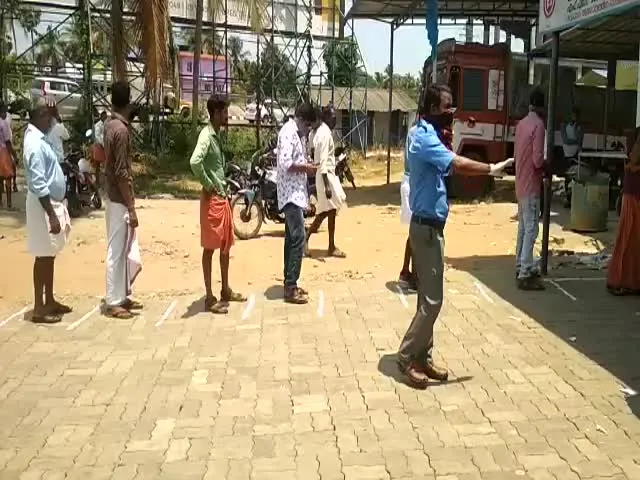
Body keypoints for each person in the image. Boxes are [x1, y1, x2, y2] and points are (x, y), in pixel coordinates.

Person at [397, 84, 512, 388]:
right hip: (426, 229)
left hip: (429, 226)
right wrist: (490, 168)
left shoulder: (426, 132)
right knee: (433, 301)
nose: (453, 112)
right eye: (448, 107)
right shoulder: (423, 138)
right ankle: (408, 356)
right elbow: (457, 163)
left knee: (427, 297)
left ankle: (424, 356)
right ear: (434, 108)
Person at [190, 94, 246, 314]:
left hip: (222, 197)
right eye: (223, 112)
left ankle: (225, 289)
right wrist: (209, 183)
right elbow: (195, 162)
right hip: (213, 199)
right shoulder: (206, 136)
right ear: (214, 113)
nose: (226, 115)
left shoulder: (216, 135)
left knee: (224, 246)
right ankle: (209, 296)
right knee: (210, 248)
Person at [23, 97, 72, 324]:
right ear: (40, 116)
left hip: (49, 202)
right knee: (42, 256)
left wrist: (56, 113)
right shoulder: (33, 143)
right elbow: (38, 181)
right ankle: (38, 307)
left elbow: (57, 131)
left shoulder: (41, 136)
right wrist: (51, 214)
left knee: (49, 254)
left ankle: (49, 300)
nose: (51, 119)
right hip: (42, 204)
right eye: (48, 115)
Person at [103, 81, 143, 319]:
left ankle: (120, 294)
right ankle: (113, 300)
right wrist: (131, 205)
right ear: (128, 102)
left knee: (119, 248)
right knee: (116, 250)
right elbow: (121, 172)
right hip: (119, 198)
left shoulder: (110, 125)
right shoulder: (121, 130)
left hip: (112, 194)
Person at [277, 103, 318, 304]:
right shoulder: (288, 133)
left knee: (291, 238)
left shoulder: (297, 135)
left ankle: (289, 282)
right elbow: (286, 163)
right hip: (289, 194)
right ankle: (290, 286)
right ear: (301, 120)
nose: (308, 130)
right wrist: (307, 168)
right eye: (308, 125)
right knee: (299, 237)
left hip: (296, 193)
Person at [514, 88, 546, 291]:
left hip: (519, 180)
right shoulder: (539, 125)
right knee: (532, 228)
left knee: (523, 227)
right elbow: (537, 160)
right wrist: (547, 165)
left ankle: (520, 264)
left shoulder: (521, 124)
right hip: (532, 183)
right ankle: (525, 270)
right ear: (542, 106)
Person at [305, 104, 347, 257]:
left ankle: (331, 245)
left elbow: (312, 151)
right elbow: (322, 161)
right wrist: (327, 186)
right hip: (325, 175)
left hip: (325, 174)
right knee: (326, 210)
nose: (335, 119)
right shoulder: (324, 133)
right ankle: (308, 237)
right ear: (325, 117)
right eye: (333, 116)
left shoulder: (316, 132)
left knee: (331, 209)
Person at [607, 127, 640, 295]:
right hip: (634, 194)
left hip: (632, 192)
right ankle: (620, 280)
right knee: (630, 238)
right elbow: (634, 161)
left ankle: (630, 281)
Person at [561, 107, 584, 208]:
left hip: (575, 153)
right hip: (567, 153)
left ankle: (572, 198)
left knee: (574, 176)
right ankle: (567, 197)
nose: (574, 117)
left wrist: (576, 133)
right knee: (567, 176)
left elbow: (580, 139)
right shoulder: (564, 125)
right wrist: (575, 140)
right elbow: (565, 140)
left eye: (576, 115)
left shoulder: (578, 126)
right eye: (573, 115)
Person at [0, 102, 18, 209]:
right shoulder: (4, 123)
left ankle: (1, 203)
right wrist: (15, 156)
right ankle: (9, 204)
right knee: (7, 179)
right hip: (3, 151)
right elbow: (7, 142)